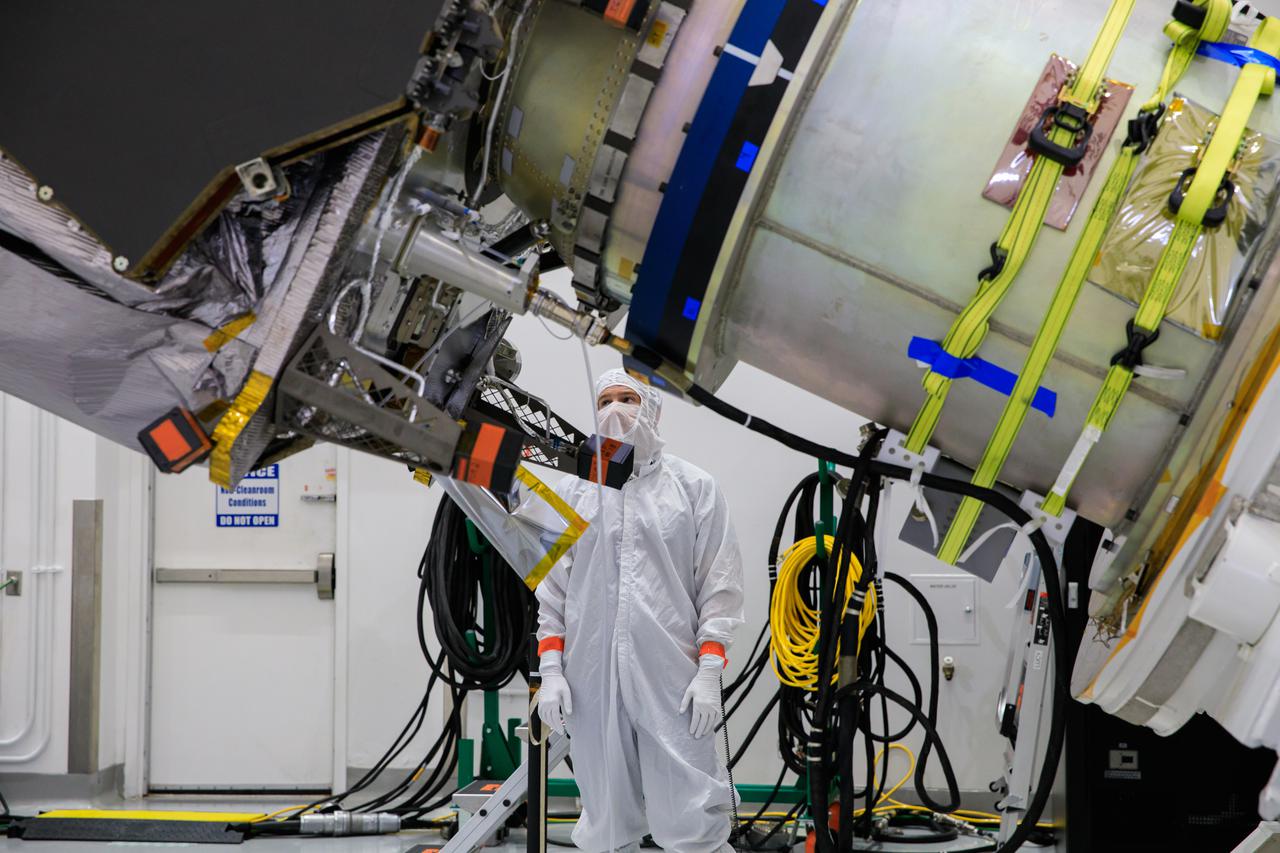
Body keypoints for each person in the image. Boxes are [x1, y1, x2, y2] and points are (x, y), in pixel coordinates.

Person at [535, 367, 745, 853]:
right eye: (604, 399)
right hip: (590, 676)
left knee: (691, 815)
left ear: (652, 408)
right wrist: (551, 671)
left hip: (673, 677)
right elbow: (551, 591)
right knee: (605, 817)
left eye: (626, 398)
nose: (614, 410)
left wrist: (710, 668)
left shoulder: (694, 488)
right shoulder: (571, 491)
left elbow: (720, 584)